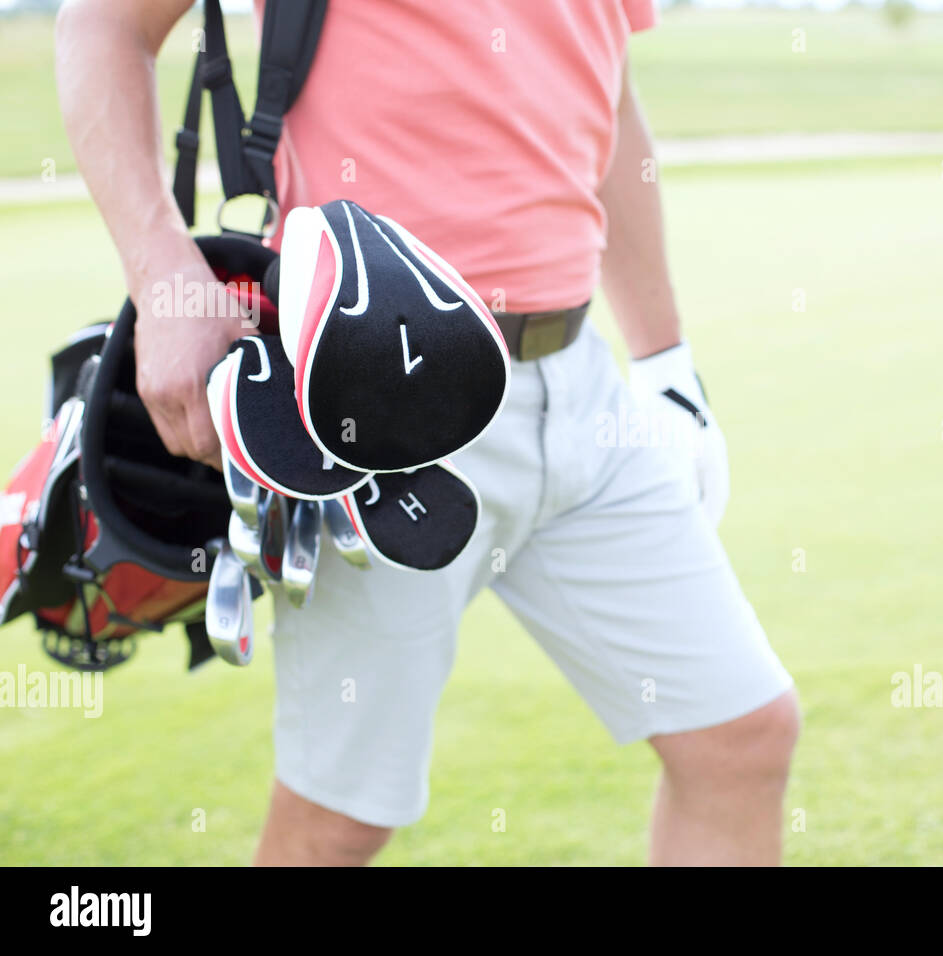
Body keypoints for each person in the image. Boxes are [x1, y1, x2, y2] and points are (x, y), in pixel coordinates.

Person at [55, 0, 799, 866]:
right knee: (337, 823)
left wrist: (666, 359)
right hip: (367, 403)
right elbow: (103, 22)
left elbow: (607, 96)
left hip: (585, 387)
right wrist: (163, 280)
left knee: (740, 736)